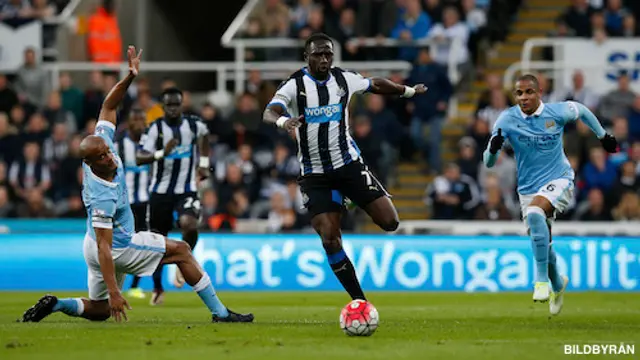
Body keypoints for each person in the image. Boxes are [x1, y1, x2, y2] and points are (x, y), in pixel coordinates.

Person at [20, 46, 253, 323]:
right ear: (92, 163)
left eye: (108, 151)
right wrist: (114, 291)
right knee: (182, 251)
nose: (110, 156)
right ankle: (221, 313)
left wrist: (129, 76)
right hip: (117, 247)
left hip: (92, 245)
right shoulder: (102, 195)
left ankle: (57, 304)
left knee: (100, 311)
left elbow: (108, 105)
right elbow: (106, 249)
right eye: (104, 156)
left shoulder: (99, 145)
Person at [263, 33, 427, 302]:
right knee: (330, 238)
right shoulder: (295, 85)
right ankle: (359, 301)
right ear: (307, 57)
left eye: (328, 53)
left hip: (348, 164)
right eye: (318, 54)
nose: (324, 59)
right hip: (315, 175)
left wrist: (407, 91)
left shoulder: (343, 79)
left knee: (390, 222)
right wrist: (284, 122)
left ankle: (347, 197)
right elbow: (270, 111)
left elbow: (374, 84)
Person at [483, 74, 618, 316]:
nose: (523, 97)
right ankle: (558, 284)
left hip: (560, 179)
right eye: (519, 93)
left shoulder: (556, 112)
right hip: (527, 188)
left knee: (535, 213)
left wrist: (602, 135)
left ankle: (541, 281)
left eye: (528, 92)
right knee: (542, 240)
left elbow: (582, 111)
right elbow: (489, 162)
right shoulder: (507, 119)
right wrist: (492, 150)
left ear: (540, 92)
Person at [136, 86, 210, 306]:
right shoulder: (154, 129)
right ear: (162, 107)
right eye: (169, 105)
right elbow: (140, 157)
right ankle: (158, 288)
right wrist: (162, 153)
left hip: (186, 189)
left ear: (182, 104)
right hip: (160, 193)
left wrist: (204, 165)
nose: (174, 109)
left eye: (177, 104)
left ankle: (184, 258)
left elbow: (205, 138)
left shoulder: (193, 125)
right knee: (157, 241)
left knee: (190, 225)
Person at [118, 108, 150, 299]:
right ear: (129, 123)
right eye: (135, 119)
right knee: (122, 243)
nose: (139, 122)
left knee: (145, 242)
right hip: (125, 202)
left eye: (142, 119)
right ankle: (115, 283)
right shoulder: (119, 144)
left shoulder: (151, 143)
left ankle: (135, 286)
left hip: (146, 201)